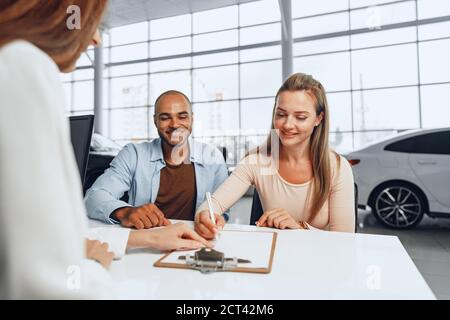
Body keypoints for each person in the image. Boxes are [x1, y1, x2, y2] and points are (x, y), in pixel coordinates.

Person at [0, 0, 210, 299]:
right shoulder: (22, 63)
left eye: (182, 116)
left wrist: (139, 239)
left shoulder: (212, 158)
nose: (95, 38)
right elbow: (49, 286)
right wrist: (93, 264)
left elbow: (34, 242)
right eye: (90, 20)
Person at [194, 73, 355, 239]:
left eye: (300, 117)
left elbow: (344, 239)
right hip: (273, 257)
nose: (287, 124)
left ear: (318, 119)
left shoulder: (337, 167)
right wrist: (205, 216)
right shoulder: (256, 162)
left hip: (322, 259)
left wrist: (299, 227)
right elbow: (212, 205)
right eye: (281, 114)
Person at [84, 90, 229, 228]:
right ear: (155, 121)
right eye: (165, 118)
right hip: (148, 240)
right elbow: (93, 197)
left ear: (192, 118)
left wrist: (214, 218)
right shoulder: (134, 154)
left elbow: (223, 210)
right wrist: (126, 212)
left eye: (182, 116)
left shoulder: (212, 156)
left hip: (195, 241)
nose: (174, 124)